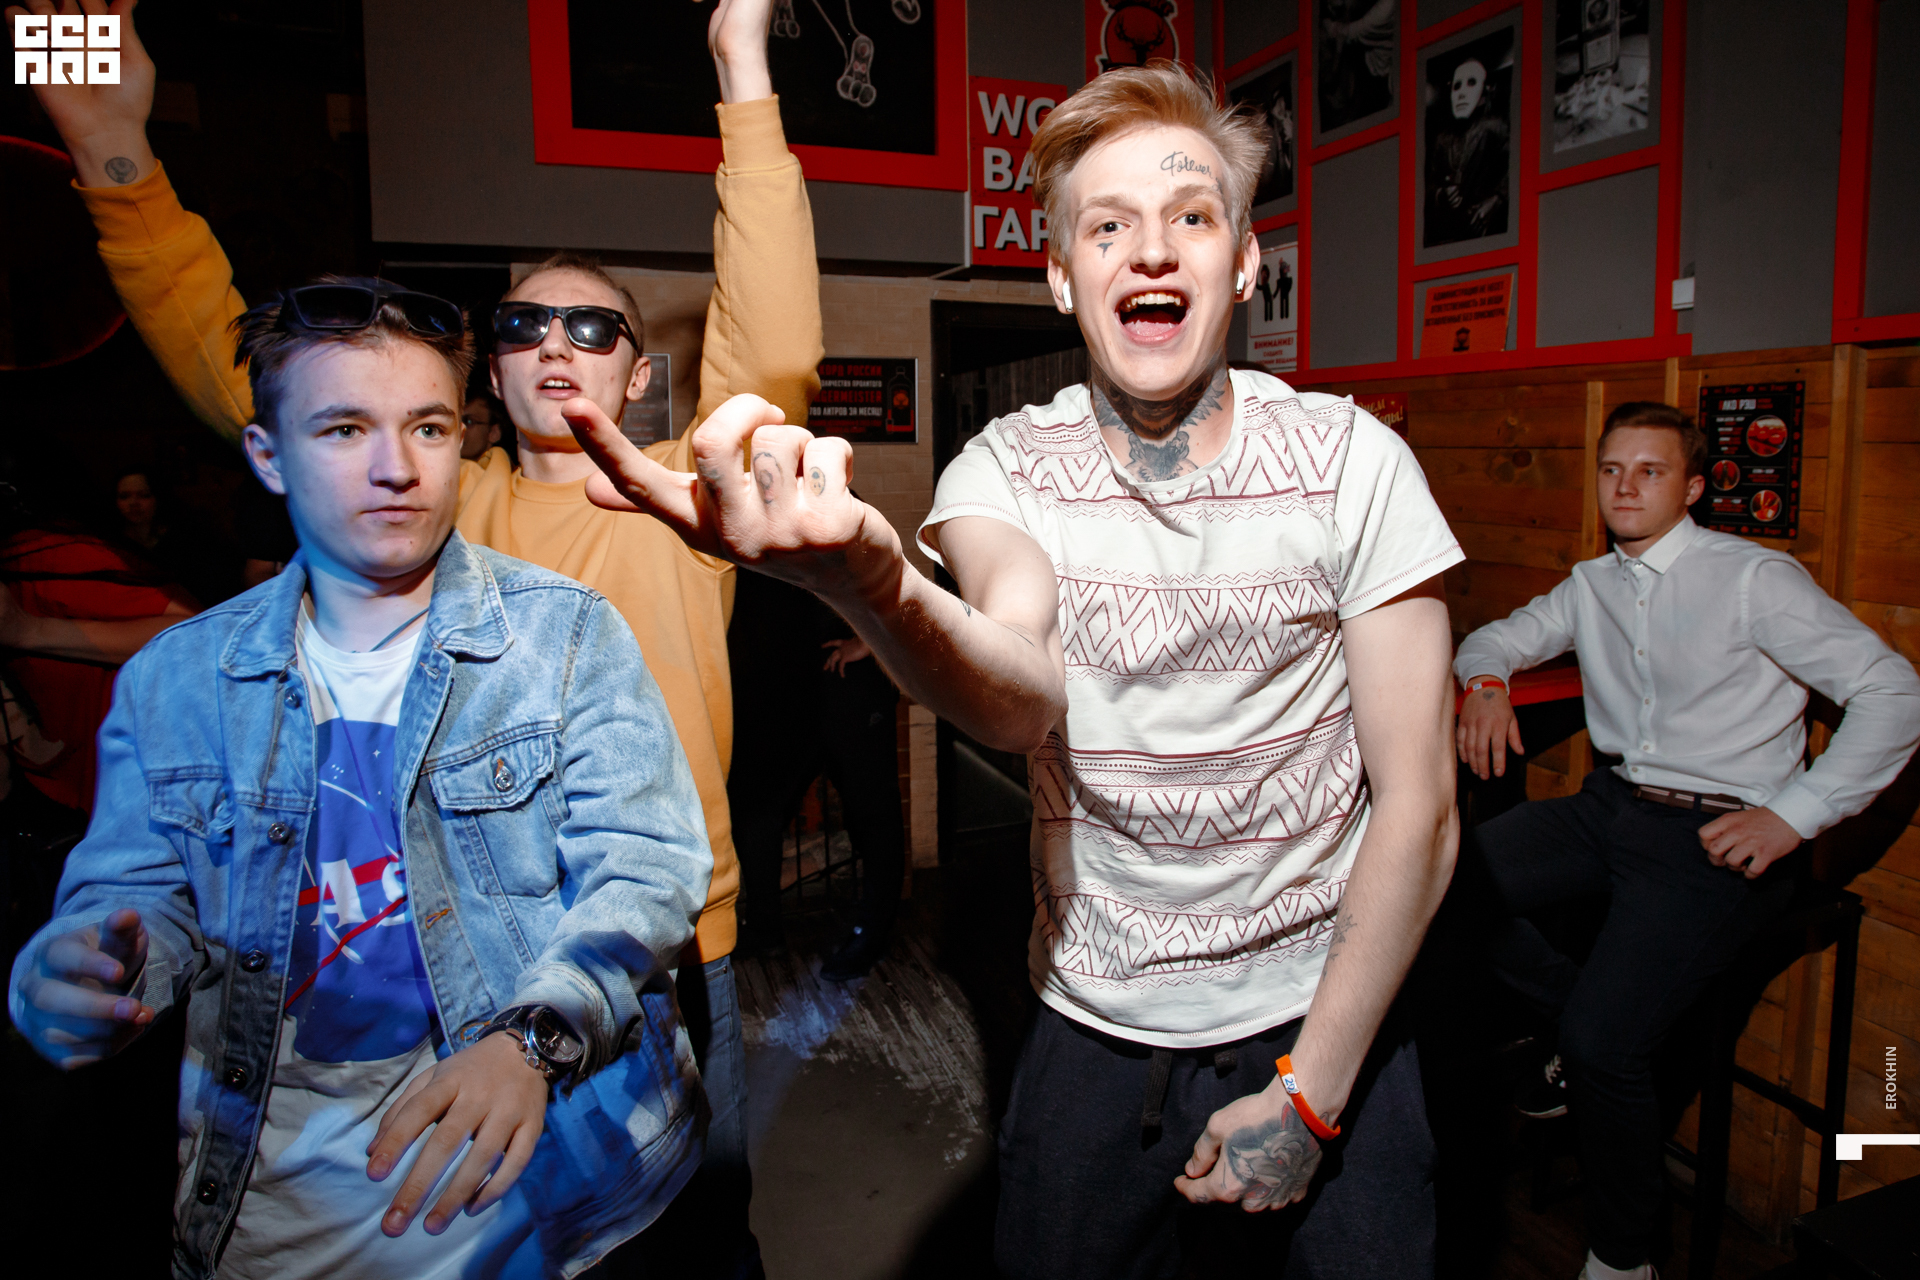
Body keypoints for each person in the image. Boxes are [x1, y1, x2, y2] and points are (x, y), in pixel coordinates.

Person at [568, 62, 1464, 1278]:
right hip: (1096, 1032)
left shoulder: (1354, 463)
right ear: (1060, 277)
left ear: (1245, 262)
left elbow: (1420, 804)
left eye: (1191, 216)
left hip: (1330, 1014)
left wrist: (1314, 1093)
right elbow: (1021, 688)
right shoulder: (1008, 469)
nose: (1152, 251)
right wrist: (872, 584)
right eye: (1108, 227)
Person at [22, 1, 821, 1271]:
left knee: (686, 1224)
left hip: (660, 935)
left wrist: (741, 61)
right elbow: (266, 379)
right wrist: (110, 146)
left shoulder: (685, 500)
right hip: (444, 949)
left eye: (592, 327)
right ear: (485, 379)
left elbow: (771, 349)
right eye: (521, 325)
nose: (554, 344)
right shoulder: (439, 505)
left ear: (635, 375)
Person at [7, 279, 714, 1279]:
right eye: (344, 429)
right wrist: (92, 966)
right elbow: (137, 894)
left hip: (553, 1209)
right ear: (268, 456)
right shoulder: (180, 676)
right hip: (271, 1218)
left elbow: (645, 865)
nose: (397, 467)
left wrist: (534, 1040)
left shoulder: (562, 635)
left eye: (428, 427)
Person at [1454, 402, 1920, 1280]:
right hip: (1613, 805)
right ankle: (1571, 1016)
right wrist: (1485, 681)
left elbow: (1895, 693)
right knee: (1437, 883)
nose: (1626, 487)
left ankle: (1625, 1259)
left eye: (1651, 471)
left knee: (1604, 1046)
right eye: (1612, 470)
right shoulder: (1592, 582)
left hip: (1719, 831)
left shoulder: (1752, 579)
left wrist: (1796, 813)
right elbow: (1496, 637)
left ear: (1695, 487)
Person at [727, 571, 904, 977]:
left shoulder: (839, 521)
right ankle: (765, 929)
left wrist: (870, 642)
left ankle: (872, 935)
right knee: (756, 811)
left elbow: (893, 575)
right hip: (787, 690)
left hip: (849, 683)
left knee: (872, 813)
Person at [1425, 52, 1509, 246]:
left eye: (1471, 83)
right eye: (1457, 86)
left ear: (1486, 90)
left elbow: (1517, 167)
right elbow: (1429, 183)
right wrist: (1441, 195)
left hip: (1484, 235)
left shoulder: (1497, 128)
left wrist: (1497, 199)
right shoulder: (1442, 139)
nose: (1462, 93)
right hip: (1449, 235)